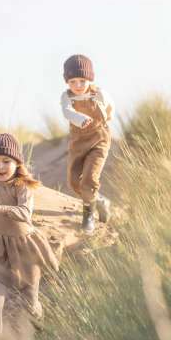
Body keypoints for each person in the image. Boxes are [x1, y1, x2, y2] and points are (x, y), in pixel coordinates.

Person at [0, 133, 60, 340]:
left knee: (30, 301)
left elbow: (25, 213)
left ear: (17, 162)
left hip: (25, 248)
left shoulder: (22, 186)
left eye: (6, 161)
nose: (0, 167)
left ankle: (41, 332)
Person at [60, 54, 114, 233]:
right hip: (78, 144)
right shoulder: (66, 97)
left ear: (90, 79)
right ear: (67, 82)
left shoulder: (99, 94)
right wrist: (79, 118)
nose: (77, 86)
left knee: (89, 179)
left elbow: (109, 107)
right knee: (74, 181)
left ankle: (88, 215)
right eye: (72, 81)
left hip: (99, 141)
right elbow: (67, 112)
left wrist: (106, 117)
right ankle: (99, 201)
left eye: (82, 81)